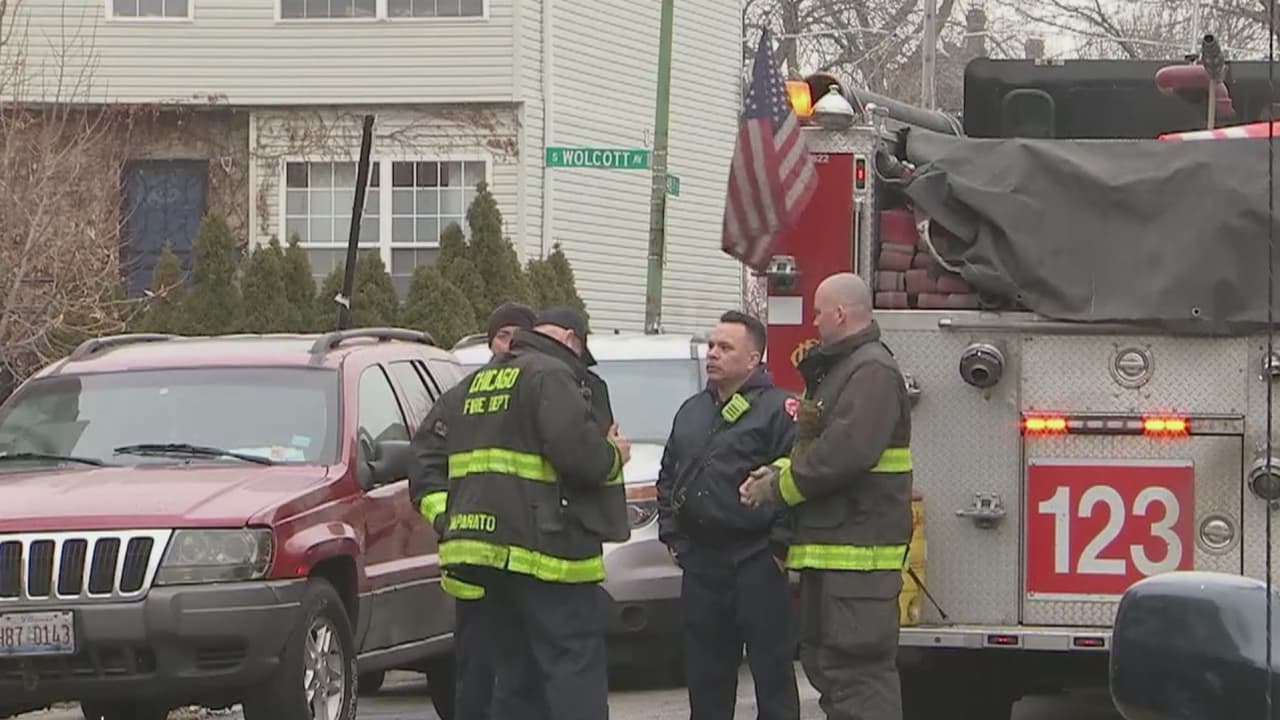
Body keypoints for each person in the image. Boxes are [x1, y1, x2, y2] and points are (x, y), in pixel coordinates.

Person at [412, 305, 631, 720]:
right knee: (573, 668)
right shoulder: (551, 375)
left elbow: (428, 457)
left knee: (516, 676)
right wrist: (613, 455)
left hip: (489, 557)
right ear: (570, 340)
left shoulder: (476, 382)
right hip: (549, 551)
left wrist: (450, 519)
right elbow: (580, 456)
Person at [739, 272, 914, 720]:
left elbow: (844, 452)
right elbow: (814, 446)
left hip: (860, 558)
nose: (814, 322)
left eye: (818, 313)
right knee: (829, 666)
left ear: (840, 313)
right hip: (837, 555)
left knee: (857, 674)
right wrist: (777, 470)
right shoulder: (842, 370)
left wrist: (776, 489)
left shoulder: (871, 371)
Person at [656, 310, 800, 720]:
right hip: (702, 563)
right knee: (706, 680)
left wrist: (779, 547)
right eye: (711, 346)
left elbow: (798, 478)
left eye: (725, 347)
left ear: (753, 359)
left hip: (757, 559)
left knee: (772, 676)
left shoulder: (779, 410)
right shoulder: (692, 410)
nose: (713, 354)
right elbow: (669, 475)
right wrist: (673, 535)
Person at [409, 302, 537, 720]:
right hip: (475, 569)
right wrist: (448, 518)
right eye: (503, 336)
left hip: (531, 563)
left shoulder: (547, 395)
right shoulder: (460, 399)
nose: (511, 345)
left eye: (520, 337)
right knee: (477, 676)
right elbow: (425, 466)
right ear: (490, 342)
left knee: (527, 676)